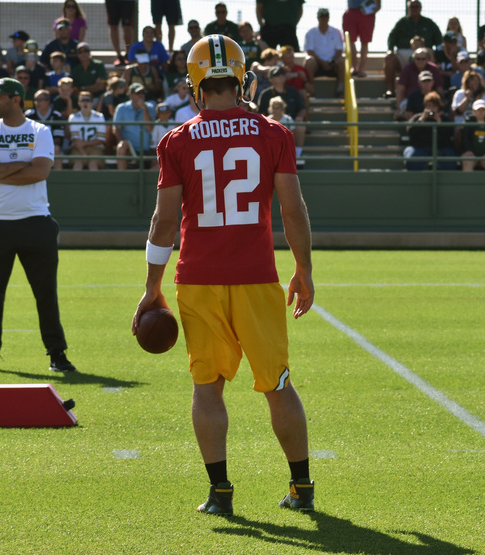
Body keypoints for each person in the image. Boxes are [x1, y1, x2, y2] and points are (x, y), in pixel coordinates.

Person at [132, 34, 315, 516]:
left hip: (199, 279)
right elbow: (292, 211)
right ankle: (301, 487)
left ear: (195, 82)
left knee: (207, 387)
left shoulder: (176, 140)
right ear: (240, 77)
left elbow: (164, 223)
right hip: (257, 277)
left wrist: (152, 286)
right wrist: (304, 269)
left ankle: (221, 493)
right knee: (277, 385)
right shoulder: (273, 133)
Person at [0, 77, 75, 374]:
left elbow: (40, 172)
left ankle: (57, 353)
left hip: (34, 222)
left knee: (45, 292)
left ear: (16, 100)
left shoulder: (39, 130)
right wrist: (20, 165)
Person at [383, 0, 441, 98]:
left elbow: (439, 41)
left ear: (420, 8)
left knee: (429, 54)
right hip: (405, 53)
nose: (414, 9)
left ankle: (432, 93)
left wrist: (438, 57)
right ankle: (390, 90)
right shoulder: (402, 22)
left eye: (416, 6)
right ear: (408, 8)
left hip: (424, 53)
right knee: (389, 58)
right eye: (412, 7)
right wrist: (390, 50)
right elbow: (392, 37)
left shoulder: (429, 23)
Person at [404, 91, 456, 170]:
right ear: (425, 107)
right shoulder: (417, 117)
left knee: (451, 161)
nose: (431, 109)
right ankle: (426, 167)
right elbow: (410, 131)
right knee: (411, 157)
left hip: (440, 149)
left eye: (434, 106)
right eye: (429, 106)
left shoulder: (444, 119)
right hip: (420, 148)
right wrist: (421, 120)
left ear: (438, 108)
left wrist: (440, 123)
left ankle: (437, 167)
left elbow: (450, 134)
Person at [113, 82, 155, 170]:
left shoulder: (150, 107)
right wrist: (122, 142)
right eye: (138, 93)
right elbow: (116, 129)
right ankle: (122, 177)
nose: (141, 95)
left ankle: (146, 182)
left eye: (143, 93)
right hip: (130, 149)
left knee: (162, 161)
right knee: (121, 146)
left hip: (147, 149)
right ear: (131, 95)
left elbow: (149, 128)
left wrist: (144, 109)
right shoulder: (122, 108)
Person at [303, 8, 345, 97]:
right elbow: (310, 51)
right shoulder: (311, 33)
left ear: (329, 18)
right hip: (317, 64)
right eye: (322, 16)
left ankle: (340, 90)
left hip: (333, 64)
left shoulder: (336, 32)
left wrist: (331, 61)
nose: (324, 19)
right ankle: (311, 90)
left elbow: (339, 50)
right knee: (309, 61)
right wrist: (322, 63)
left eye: (326, 16)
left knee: (341, 61)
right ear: (318, 18)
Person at [25, 89, 65, 170]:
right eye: (35, 100)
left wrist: (45, 145)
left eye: (40, 100)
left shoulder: (56, 116)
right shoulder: (29, 115)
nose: (37, 103)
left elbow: (58, 139)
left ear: (47, 101)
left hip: (50, 145)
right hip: (32, 145)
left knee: (56, 149)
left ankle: (58, 175)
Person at [68, 90, 106, 170]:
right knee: (77, 165)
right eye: (82, 100)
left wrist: (84, 144)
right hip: (78, 149)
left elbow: (101, 139)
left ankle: (94, 183)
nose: (85, 103)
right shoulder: (73, 117)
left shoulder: (99, 117)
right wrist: (84, 155)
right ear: (79, 103)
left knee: (93, 165)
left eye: (88, 100)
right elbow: (76, 140)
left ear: (92, 103)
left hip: (95, 148)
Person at [460, 98, 485, 171]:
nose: (480, 112)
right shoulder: (467, 122)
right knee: (467, 162)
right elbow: (465, 139)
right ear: (473, 112)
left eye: (483, 110)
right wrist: (468, 150)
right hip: (471, 154)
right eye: (478, 110)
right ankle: (468, 182)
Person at [343, 0, 378, 78]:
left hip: (367, 13)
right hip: (351, 11)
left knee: (365, 42)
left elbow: (378, 3)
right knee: (350, 41)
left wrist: (377, 7)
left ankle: (362, 69)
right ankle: (354, 67)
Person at [106, 0, 136, 66]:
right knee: (113, 26)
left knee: (127, 26)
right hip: (112, 2)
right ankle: (119, 56)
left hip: (127, 2)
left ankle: (128, 54)